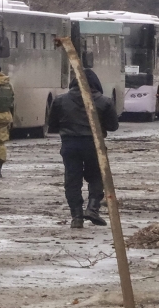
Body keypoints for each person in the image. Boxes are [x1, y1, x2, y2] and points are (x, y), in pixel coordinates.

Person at [48, 67, 119, 229]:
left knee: (72, 180)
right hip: (94, 145)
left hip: (70, 144)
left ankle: (76, 217)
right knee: (97, 177)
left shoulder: (60, 100)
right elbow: (113, 126)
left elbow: (52, 125)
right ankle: (92, 208)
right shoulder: (105, 101)